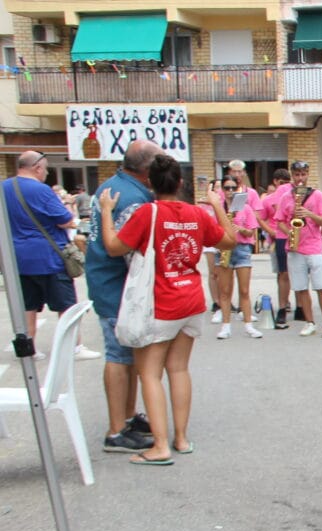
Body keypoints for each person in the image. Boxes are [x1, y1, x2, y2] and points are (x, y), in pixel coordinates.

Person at [98, 156, 236, 465]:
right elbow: (229, 241)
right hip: (191, 299)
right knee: (179, 369)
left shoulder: (148, 213)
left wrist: (106, 211)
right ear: (181, 183)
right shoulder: (196, 213)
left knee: (149, 373)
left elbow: (114, 247)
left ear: (150, 183)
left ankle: (160, 446)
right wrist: (216, 205)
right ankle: (181, 439)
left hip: (161, 302)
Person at [85, 139, 163, 452]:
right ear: (147, 168)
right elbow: (126, 249)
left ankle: (128, 417)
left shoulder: (114, 185)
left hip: (108, 280)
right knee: (118, 355)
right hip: (117, 284)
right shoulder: (133, 199)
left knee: (128, 354)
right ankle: (116, 430)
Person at [4, 151, 99, 362]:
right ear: (37, 168)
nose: (47, 173)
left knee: (28, 306)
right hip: (48, 256)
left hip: (18, 258)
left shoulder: (4, 187)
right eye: (46, 169)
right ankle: (74, 347)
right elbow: (64, 220)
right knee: (66, 305)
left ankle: (29, 350)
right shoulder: (41, 190)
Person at [274, 161, 322, 338]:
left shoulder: (317, 195)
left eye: (303, 174)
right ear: (292, 176)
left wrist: (308, 214)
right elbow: (279, 221)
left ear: (307, 174)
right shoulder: (286, 197)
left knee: (321, 286)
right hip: (294, 247)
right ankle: (309, 322)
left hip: (314, 246)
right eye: (297, 175)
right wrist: (290, 233)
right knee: (300, 288)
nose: (300, 178)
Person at [212, 177, 263, 339]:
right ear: (222, 190)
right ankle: (226, 326)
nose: (230, 191)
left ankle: (248, 325)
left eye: (233, 188)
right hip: (224, 248)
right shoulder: (219, 208)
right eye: (227, 188)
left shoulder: (245, 208)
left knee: (244, 290)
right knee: (225, 291)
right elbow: (212, 230)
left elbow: (251, 232)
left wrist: (239, 228)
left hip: (241, 249)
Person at [258, 167, 292, 327]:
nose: (284, 185)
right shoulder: (268, 199)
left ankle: (299, 305)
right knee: (282, 273)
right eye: (281, 182)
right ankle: (284, 303)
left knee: (295, 273)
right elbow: (260, 218)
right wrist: (270, 231)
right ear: (275, 182)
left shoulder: (292, 196)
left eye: (287, 182)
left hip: (292, 236)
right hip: (277, 238)